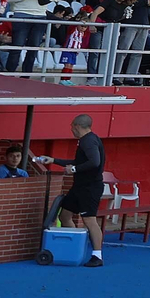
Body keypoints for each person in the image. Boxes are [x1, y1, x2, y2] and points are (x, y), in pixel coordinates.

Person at [42, 114, 106, 266]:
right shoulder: (85, 141)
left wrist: (75, 169)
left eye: (72, 127)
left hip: (89, 187)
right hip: (79, 186)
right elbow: (78, 162)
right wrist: (54, 160)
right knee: (65, 215)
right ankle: (75, 245)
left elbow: (94, 162)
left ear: (77, 126)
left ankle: (97, 255)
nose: (71, 130)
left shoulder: (89, 141)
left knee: (89, 219)